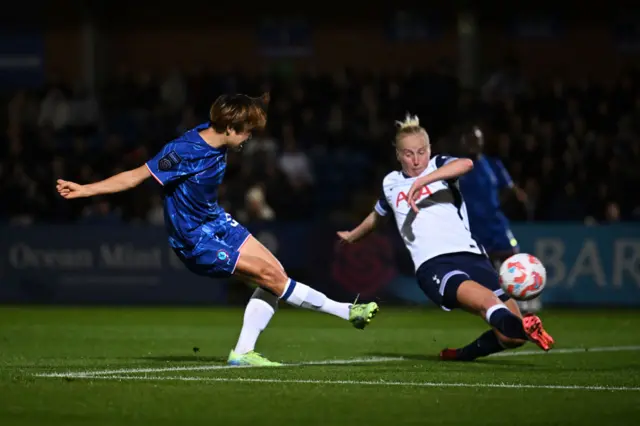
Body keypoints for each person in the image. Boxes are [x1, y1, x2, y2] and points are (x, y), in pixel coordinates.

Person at [56, 93, 379, 366]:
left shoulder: (217, 137)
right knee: (274, 280)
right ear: (228, 128)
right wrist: (86, 190)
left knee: (275, 271)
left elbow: (236, 108)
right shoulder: (182, 152)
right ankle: (347, 311)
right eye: (246, 131)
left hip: (217, 222)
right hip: (194, 239)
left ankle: (242, 353)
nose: (249, 137)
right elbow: (135, 176)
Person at [336, 114, 553, 361]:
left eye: (421, 151)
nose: (416, 160)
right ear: (398, 154)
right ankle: (526, 326)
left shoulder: (438, 166)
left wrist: (424, 181)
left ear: (429, 149)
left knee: (510, 337)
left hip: (472, 256)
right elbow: (379, 215)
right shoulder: (391, 183)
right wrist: (353, 235)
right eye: (408, 154)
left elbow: (467, 164)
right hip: (434, 264)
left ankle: (463, 354)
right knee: (488, 302)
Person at [455, 125, 541, 314]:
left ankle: (526, 296)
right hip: (473, 226)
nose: (473, 144)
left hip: (495, 222)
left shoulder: (493, 165)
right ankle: (493, 300)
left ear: (482, 143)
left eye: (477, 140)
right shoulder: (457, 167)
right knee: (483, 264)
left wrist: (522, 200)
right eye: (470, 140)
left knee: (512, 255)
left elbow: (510, 188)